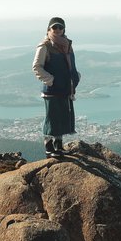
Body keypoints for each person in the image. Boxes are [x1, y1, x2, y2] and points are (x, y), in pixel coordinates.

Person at [32, 17, 80, 156]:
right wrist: (50, 80)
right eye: (54, 27)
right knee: (52, 118)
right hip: (52, 89)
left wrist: (75, 77)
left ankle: (58, 146)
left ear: (64, 29)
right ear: (49, 29)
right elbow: (36, 67)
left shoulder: (67, 45)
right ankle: (49, 147)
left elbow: (70, 65)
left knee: (63, 116)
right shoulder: (44, 46)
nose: (58, 30)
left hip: (65, 88)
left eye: (60, 27)